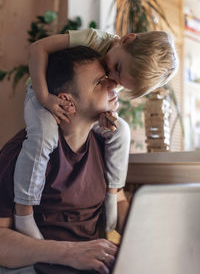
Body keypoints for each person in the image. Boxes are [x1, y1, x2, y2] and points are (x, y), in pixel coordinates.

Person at [14, 28, 178, 239]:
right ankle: (24, 212)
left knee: (122, 130)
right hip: (41, 92)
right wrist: (44, 96)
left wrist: (106, 116)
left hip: (74, 106)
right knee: (45, 134)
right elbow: (38, 48)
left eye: (119, 83)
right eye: (114, 70)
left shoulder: (120, 70)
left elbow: (102, 101)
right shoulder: (95, 39)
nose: (112, 78)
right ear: (127, 40)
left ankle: (112, 192)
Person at [0, 46, 129, 274]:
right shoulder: (20, 153)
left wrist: (144, 240)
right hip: (37, 267)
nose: (114, 84)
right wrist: (68, 253)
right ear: (67, 101)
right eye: (100, 82)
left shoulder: (105, 146)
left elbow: (118, 200)